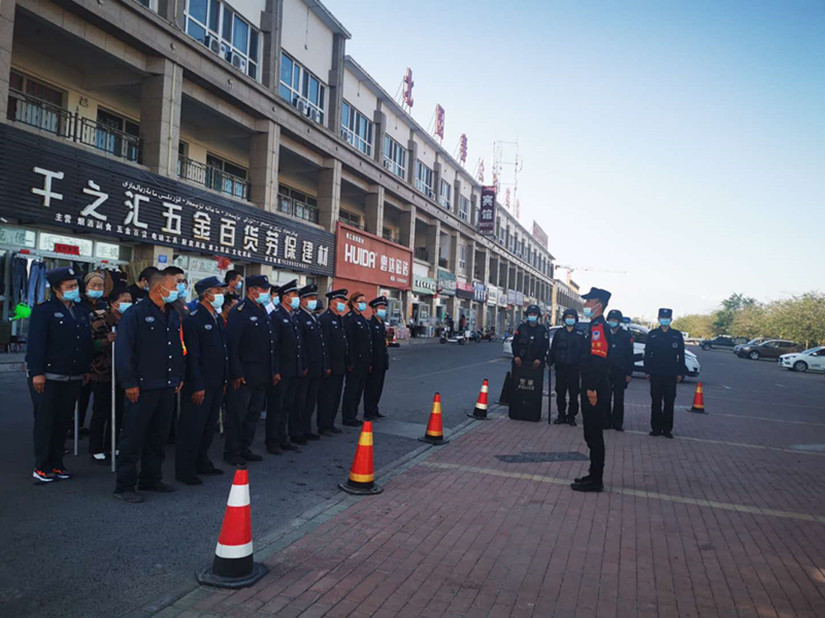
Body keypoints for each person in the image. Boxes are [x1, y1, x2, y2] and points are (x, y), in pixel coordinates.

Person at [114, 270, 185, 502]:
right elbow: (124, 352)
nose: (178, 289)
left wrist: (178, 375)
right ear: (158, 289)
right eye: (175, 285)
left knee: (158, 436)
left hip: (166, 385)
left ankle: (151, 478)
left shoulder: (172, 313)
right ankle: (125, 485)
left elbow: (176, 348)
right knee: (133, 437)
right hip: (142, 386)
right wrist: (129, 383)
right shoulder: (135, 314)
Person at [26, 267, 94, 483]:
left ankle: (56, 464)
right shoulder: (44, 310)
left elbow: (84, 343)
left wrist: (85, 369)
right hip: (48, 376)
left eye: (76, 286)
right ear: (57, 289)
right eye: (69, 287)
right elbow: (36, 344)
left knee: (62, 423)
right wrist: (37, 372)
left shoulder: (81, 310)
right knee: (46, 422)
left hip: (72, 376)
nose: (74, 290)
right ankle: (42, 466)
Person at [176, 277, 229, 484]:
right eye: (217, 291)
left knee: (208, 426)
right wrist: (197, 385)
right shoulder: (193, 319)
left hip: (216, 382)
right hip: (199, 384)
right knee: (192, 427)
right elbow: (193, 357)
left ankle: (202, 462)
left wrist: (224, 379)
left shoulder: (215, 317)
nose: (220, 295)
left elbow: (223, 352)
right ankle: (185, 470)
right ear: (206, 294)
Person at [225, 275, 278, 465]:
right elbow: (233, 346)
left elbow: (270, 344)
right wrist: (237, 373)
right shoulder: (240, 311)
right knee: (238, 415)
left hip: (261, 374)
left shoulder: (262, 310)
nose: (267, 294)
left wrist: (272, 371)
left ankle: (244, 448)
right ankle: (232, 451)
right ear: (252, 290)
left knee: (253, 415)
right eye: (264, 290)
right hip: (245, 375)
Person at [571, 287, 613, 493]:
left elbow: (598, 362)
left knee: (594, 434)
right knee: (590, 433)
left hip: (595, 387)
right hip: (592, 384)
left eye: (589, 302)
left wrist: (591, 388)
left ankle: (596, 480)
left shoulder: (598, 328)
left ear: (599, 305)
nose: (586, 305)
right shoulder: (594, 326)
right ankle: (593, 474)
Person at [87, 287, 132, 464]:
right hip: (103, 372)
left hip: (123, 372)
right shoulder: (101, 320)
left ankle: (112, 444)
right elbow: (91, 345)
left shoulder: (130, 320)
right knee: (102, 411)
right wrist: (107, 340)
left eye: (130, 301)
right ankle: (96, 447)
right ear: (113, 303)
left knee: (120, 410)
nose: (128, 304)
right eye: (125, 300)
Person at [644, 308, 687, 439]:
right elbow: (647, 355)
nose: (664, 320)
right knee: (656, 402)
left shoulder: (676, 335)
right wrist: (647, 371)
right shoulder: (652, 334)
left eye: (667, 318)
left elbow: (681, 355)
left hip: (670, 374)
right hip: (656, 373)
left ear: (671, 320)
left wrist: (680, 373)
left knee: (669, 402)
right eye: (662, 317)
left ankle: (667, 429)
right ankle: (655, 428)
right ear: (658, 319)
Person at [74, 271, 107, 437]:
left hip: (101, 358)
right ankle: (75, 426)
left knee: (99, 398)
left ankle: (92, 428)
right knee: (81, 395)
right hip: (84, 354)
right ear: (85, 287)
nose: (97, 288)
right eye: (93, 285)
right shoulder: (78, 305)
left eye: (100, 286)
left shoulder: (104, 305)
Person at [295, 284, 326, 442]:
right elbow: (301, 346)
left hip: (315, 367)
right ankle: (297, 432)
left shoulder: (312, 317)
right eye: (311, 298)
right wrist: (304, 365)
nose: (314, 301)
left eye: (315, 298)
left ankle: (306, 429)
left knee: (310, 401)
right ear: (302, 300)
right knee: (301, 402)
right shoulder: (299, 317)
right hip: (306, 367)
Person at [317, 289, 348, 435]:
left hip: (340, 365)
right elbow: (324, 345)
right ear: (332, 302)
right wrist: (326, 365)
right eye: (340, 301)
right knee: (327, 397)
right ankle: (323, 425)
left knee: (336, 397)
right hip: (331, 365)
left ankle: (330, 423)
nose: (342, 304)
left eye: (343, 301)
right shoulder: (325, 319)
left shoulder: (339, 318)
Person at [547, 309, 584, 426]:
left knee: (574, 394)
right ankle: (561, 416)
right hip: (561, 368)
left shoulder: (580, 334)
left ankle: (571, 417)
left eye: (572, 317)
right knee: (560, 393)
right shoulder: (559, 333)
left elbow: (583, 352)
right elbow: (553, 350)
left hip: (574, 369)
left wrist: (583, 367)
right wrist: (549, 362)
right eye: (568, 317)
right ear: (564, 319)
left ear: (575, 319)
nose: (570, 319)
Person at [341, 291, 372, 427]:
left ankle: (353, 414)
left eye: (364, 302)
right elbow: (349, 343)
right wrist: (350, 362)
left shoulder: (363, 319)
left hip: (364, 361)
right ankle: (348, 416)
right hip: (355, 362)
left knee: (359, 389)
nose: (363, 304)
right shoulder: (349, 319)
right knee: (351, 389)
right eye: (360, 302)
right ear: (353, 303)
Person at [605, 309, 635, 431]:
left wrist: (629, 373)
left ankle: (617, 423)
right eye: (611, 320)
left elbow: (630, 356)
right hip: (606, 371)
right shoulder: (605, 333)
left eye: (615, 320)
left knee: (618, 398)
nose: (613, 322)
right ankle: (605, 422)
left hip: (620, 371)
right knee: (605, 398)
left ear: (619, 321)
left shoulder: (626, 335)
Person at [364, 297, 390, 421]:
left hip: (382, 361)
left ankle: (375, 409)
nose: (383, 310)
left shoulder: (381, 324)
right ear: (374, 310)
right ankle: (368, 411)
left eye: (384, 308)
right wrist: (369, 362)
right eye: (380, 308)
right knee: (371, 388)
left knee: (378, 387)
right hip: (374, 361)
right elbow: (369, 345)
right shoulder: (371, 324)